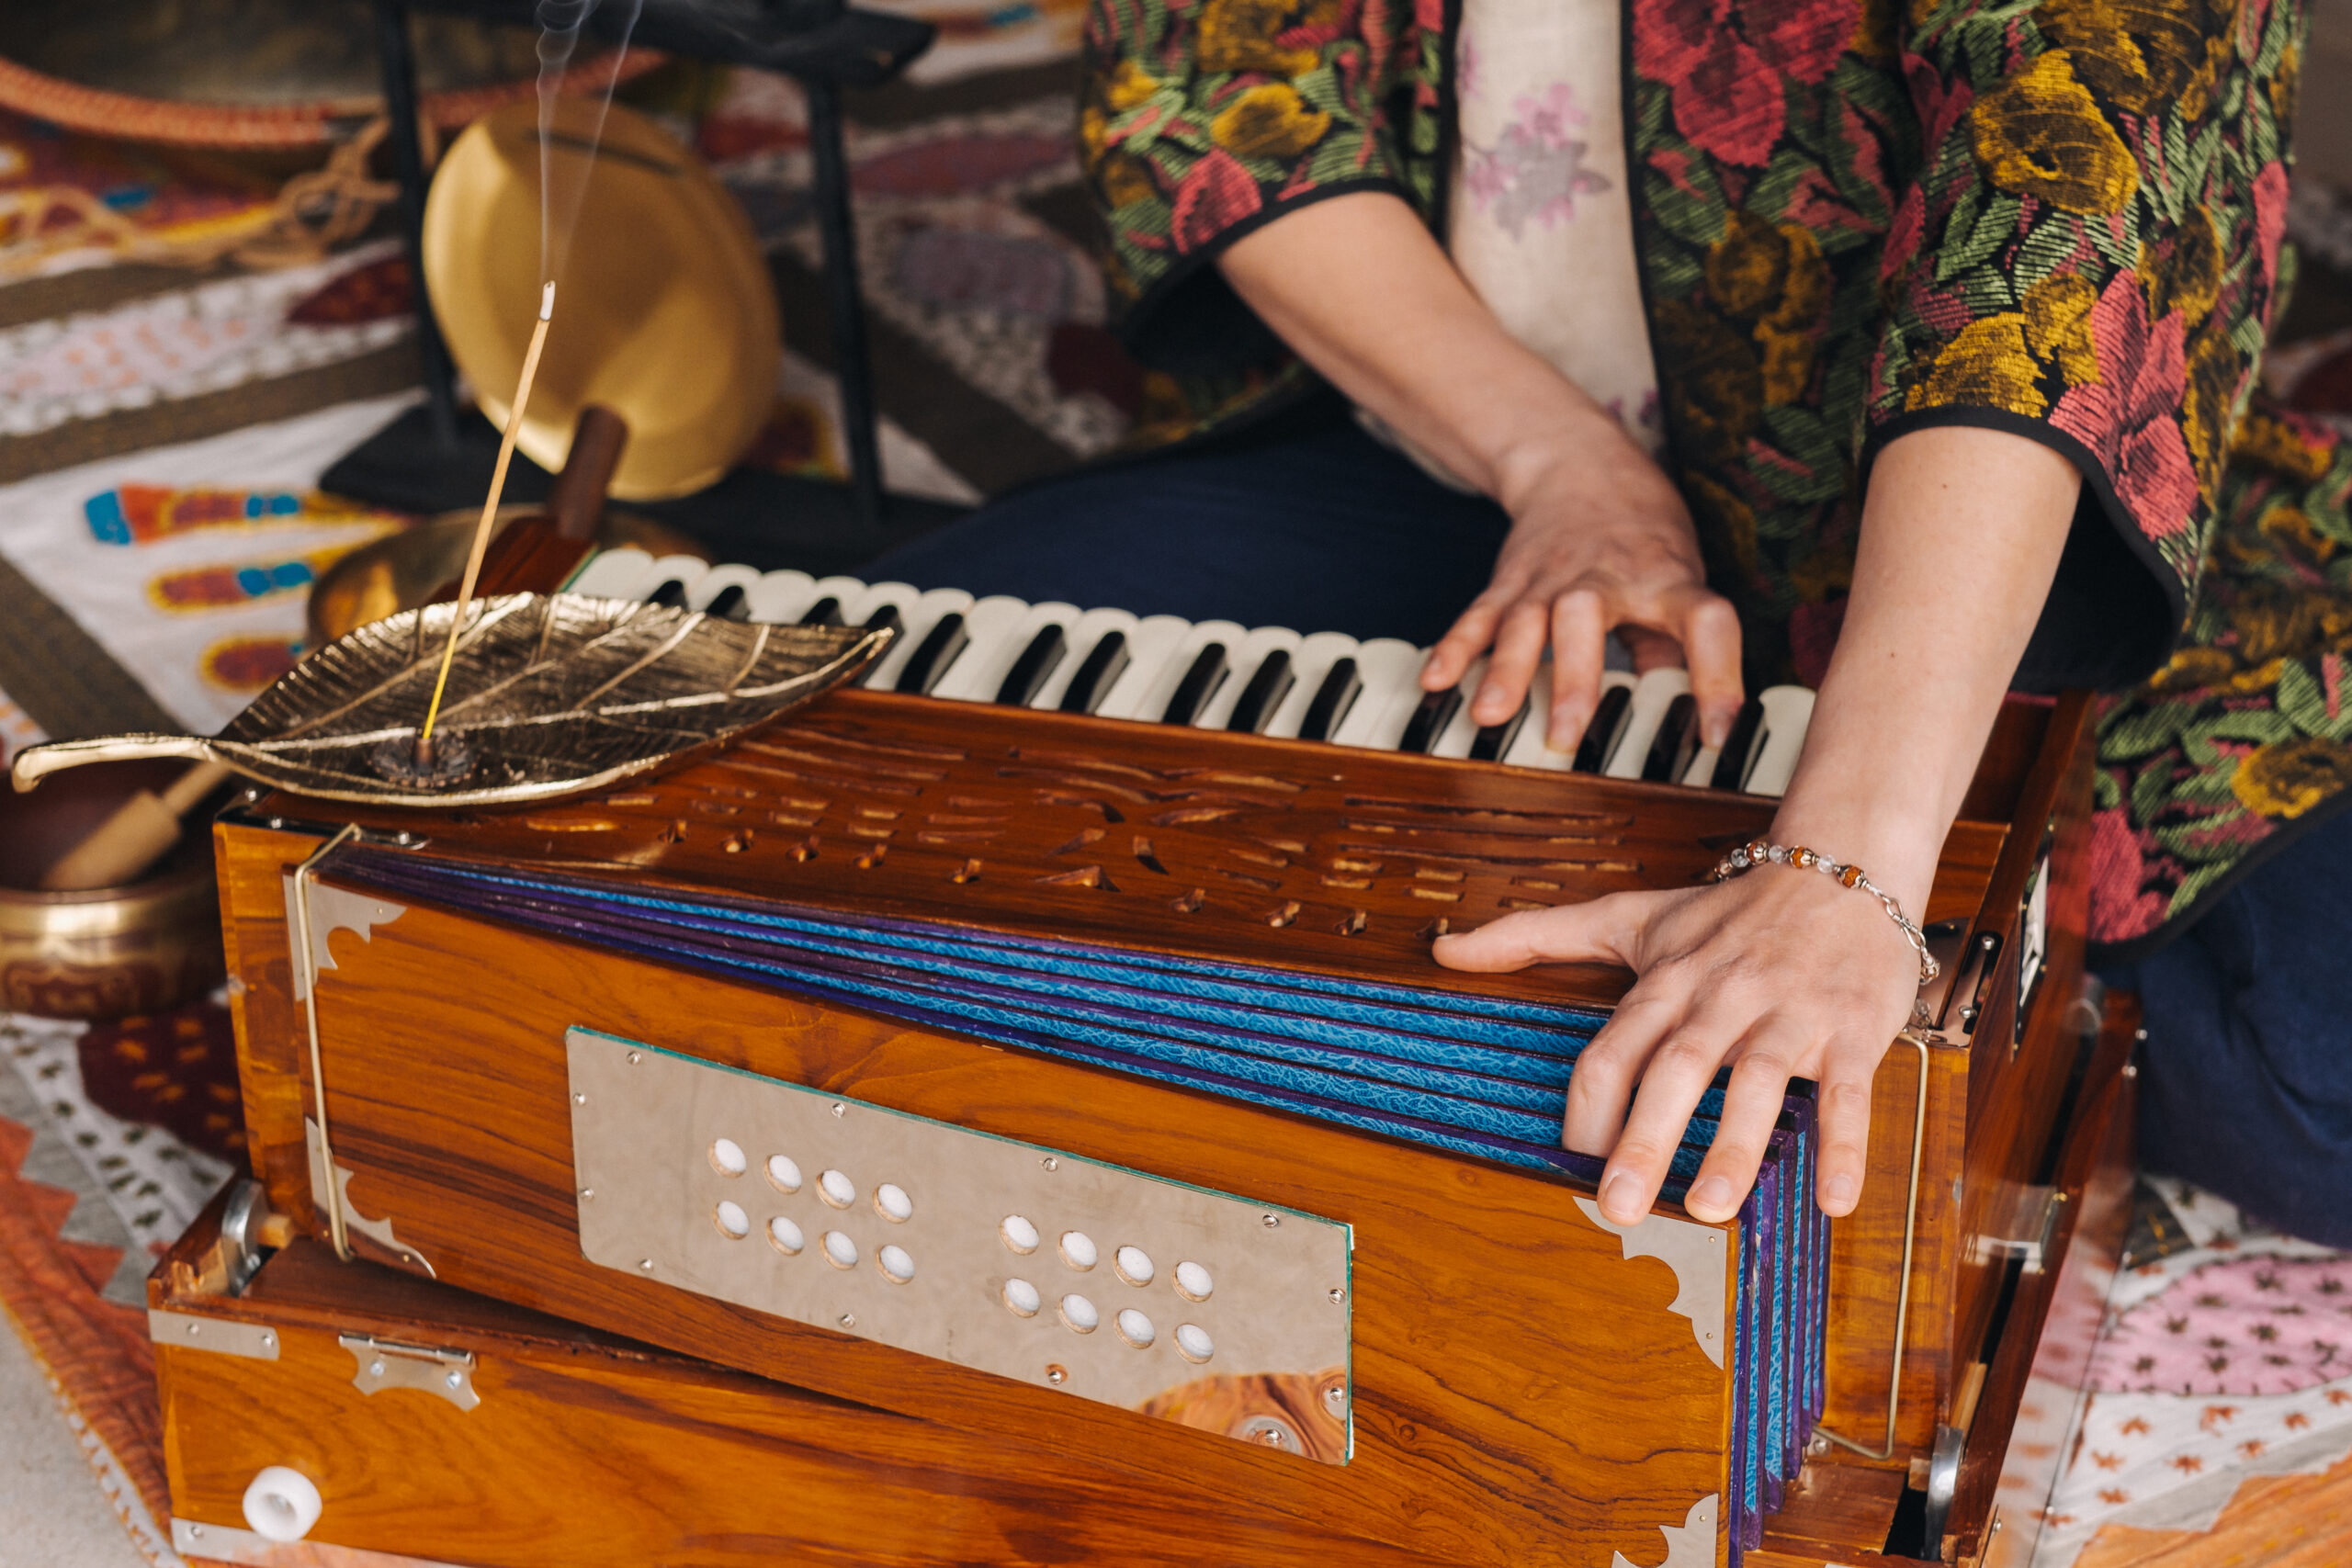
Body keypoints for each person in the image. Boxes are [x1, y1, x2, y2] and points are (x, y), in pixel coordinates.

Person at [865, 0, 2352, 1243]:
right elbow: (1220, 89)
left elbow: (2067, 211)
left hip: (2004, 516)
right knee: (897, 746)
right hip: (1467, 447)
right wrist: (1565, 473)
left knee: (2310, 1076)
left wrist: (1843, 873)